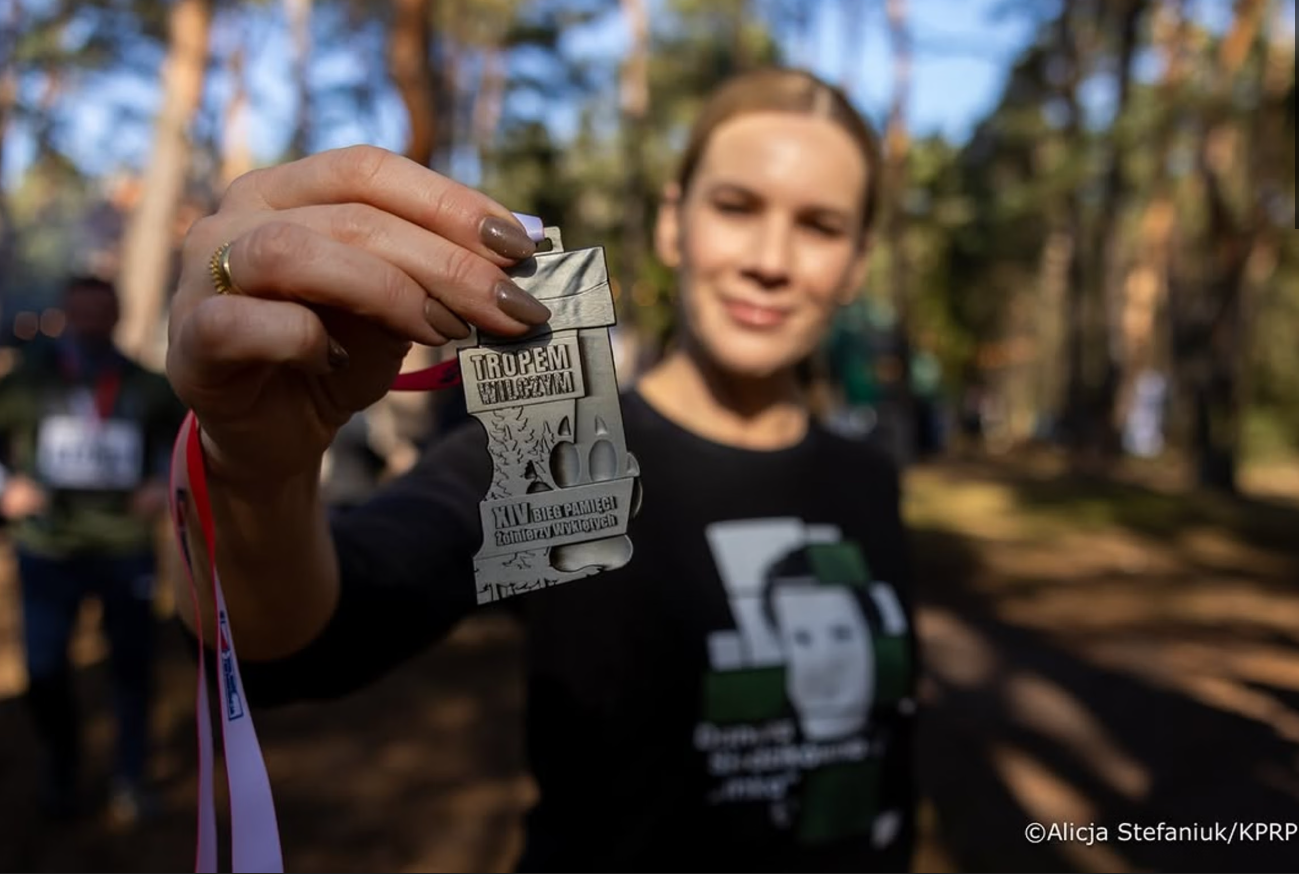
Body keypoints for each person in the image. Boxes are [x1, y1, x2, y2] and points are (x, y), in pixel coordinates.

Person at [166, 67, 919, 871]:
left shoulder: (865, 474)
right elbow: (300, 640)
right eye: (736, 207)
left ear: (857, 263)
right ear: (674, 224)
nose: (770, 259)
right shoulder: (569, 449)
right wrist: (255, 469)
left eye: (820, 225)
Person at [0, 275, 187, 822]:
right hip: (46, 549)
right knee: (44, 671)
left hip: (124, 549)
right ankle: (61, 764)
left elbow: (189, 440)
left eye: (101, 313)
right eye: (80, 313)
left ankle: (130, 778)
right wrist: (6, 488)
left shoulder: (147, 385)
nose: (90, 325)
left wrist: (162, 480)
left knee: (132, 670)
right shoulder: (27, 383)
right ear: (64, 315)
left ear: (118, 316)